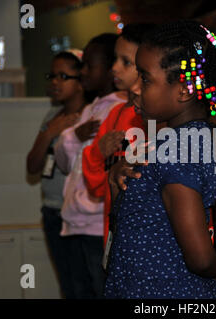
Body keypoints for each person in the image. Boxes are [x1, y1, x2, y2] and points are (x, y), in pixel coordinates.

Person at [103, 20, 216, 299]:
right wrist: (117, 184)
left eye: (145, 79)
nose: (136, 88)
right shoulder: (180, 140)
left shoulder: (180, 151)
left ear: (184, 90)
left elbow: (199, 257)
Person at [53, 33, 124, 298]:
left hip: (96, 222)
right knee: (79, 290)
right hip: (77, 219)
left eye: (89, 65)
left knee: (100, 289)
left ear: (109, 70)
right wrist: (72, 136)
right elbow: (66, 164)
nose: (83, 71)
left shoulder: (118, 109)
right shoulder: (90, 109)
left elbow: (112, 168)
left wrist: (90, 205)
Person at [81, 24, 153, 253]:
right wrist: (97, 152)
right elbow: (97, 187)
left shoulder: (156, 117)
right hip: (114, 236)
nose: (114, 68)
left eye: (126, 62)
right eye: (114, 59)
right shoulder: (115, 113)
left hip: (147, 242)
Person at [26, 51, 85, 298]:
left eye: (64, 76)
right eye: (53, 75)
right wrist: (48, 133)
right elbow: (32, 167)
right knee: (68, 288)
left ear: (82, 80)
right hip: (52, 211)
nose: (55, 82)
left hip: (78, 215)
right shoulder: (52, 116)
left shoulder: (92, 115)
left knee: (84, 287)